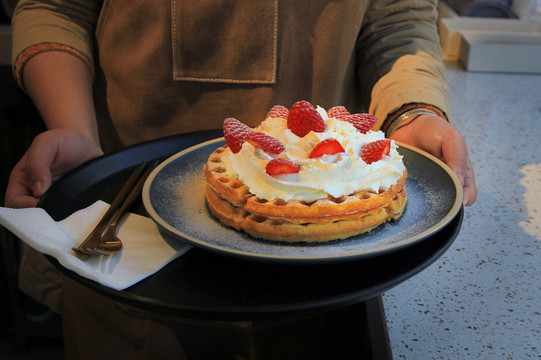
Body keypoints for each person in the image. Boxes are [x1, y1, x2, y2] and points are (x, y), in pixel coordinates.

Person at [5, 0, 477, 358]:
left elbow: (397, 18)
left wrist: (412, 109)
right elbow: (55, 6)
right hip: (128, 226)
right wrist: (73, 127)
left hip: (330, 270)